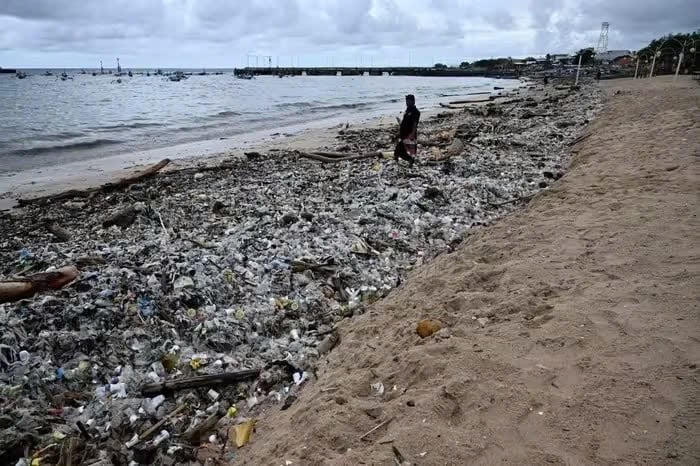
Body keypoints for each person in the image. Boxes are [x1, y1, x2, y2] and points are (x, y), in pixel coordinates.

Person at [394, 94, 420, 166]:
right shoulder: (407, 110)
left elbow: (415, 124)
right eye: (406, 101)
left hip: (410, 134)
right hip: (403, 133)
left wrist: (412, 134)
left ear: (413, 101)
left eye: (408, 101)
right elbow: (404, 122)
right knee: (398, 149)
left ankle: (410, 161)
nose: (406, 103)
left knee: (411, 150)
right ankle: (399, 160)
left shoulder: (416, 112)